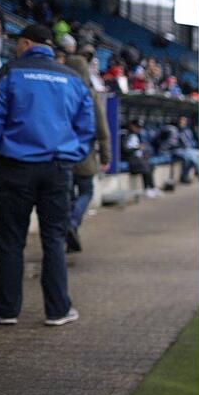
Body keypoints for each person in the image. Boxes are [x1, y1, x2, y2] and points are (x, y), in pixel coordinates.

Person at [0, 24, 94, 326]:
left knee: (11, 241)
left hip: (15, 168)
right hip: (58, 169)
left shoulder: (7, 73)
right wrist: (70, 156)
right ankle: (57, 310)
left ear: (25, 42)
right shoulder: (72, 78)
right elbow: (87, 128)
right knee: (54, 240)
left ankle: (7, 311)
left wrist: (1, 153)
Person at [63, 52, 111, 253]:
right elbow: (102, 129)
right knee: (86, 191)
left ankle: (68, 226)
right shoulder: (89, 93)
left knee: (68, 195)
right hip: (84, 154)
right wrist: (106, 156)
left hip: (62, 154)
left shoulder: (61, 88)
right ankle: (72, 223)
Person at [122, 120, 159, 198]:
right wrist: (137, 148)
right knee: (145, 167)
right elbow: (124, 150)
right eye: (137, 127)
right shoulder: (125, 134)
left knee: (150, 165)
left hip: (138, 159)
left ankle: (149, 188)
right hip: (130, 159)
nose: (138, 129)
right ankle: (150, 189)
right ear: (131, 125)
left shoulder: (137, 135)